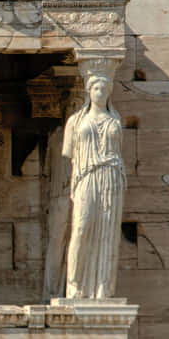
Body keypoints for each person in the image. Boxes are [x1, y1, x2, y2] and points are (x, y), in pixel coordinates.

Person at [63, 72, 126, 299]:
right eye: (96, 88)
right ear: (88, 91)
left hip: (111, 176)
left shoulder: (115, 121)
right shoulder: (75, 121)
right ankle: (75, 285)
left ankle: (102, 288)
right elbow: (68, 152)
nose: (100, 93)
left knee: (108, 231)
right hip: (86, 176)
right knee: (82, 227)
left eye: (104, 89)